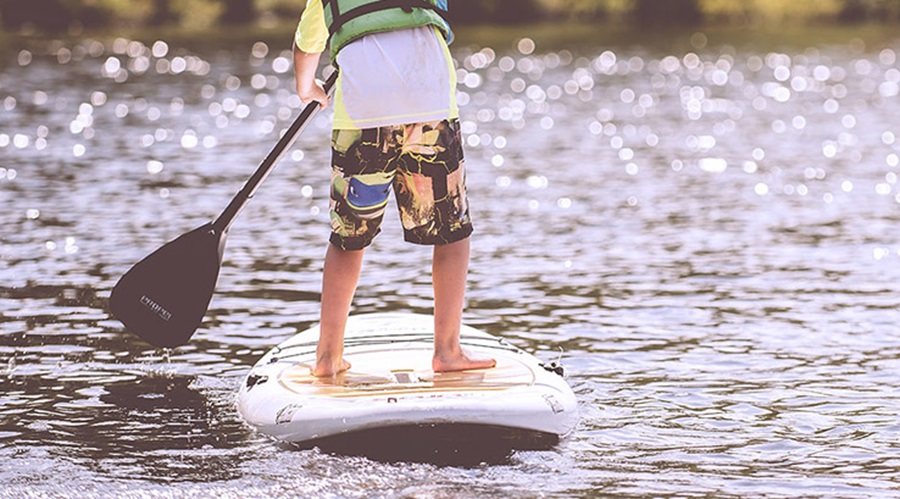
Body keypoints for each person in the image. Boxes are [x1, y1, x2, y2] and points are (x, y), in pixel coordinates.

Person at [292, 0, 496, 377]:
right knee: (450, 233)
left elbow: (307, 44)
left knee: (348, 238)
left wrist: (308, 88)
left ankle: (327, 357)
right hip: (429, 104)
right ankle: (448, 351)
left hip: (360, 114)